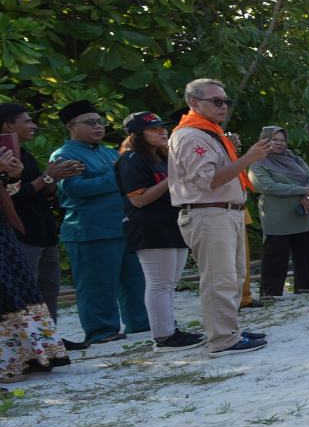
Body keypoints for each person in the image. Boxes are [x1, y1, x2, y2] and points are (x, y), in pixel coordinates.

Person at [169, 80, 273, 352]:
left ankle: (229, 329)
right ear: (194, 103)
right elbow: (209, 180)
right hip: (208, 213)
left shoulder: (209, 133)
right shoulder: (191, 135)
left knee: (234, 276)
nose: (224, 106)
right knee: (219, 279)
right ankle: (222, 339)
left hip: (223, 213)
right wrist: (247, 158)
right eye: (216, 101)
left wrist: (233, 153)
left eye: (225, 101)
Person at [54, 100, 149, 345]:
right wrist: (115, 175)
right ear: (71, 127)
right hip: (91, 230)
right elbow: (75, 189)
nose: (98, 126)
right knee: (97, 285)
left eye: (100, 121)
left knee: (135, 280)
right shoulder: (64, 155)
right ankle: (101, 330)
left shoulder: (109, 152)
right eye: (90, 122)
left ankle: (141, 322)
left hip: (123, 226)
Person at [113, 112, 202, 350]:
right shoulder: (131, 159)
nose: (162, 132)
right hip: (149, 226)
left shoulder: (160, 156)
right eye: (154, 129)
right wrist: (172, 178)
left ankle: (169, 329)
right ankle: (163, 336)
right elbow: (139, 200)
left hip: (170, 223)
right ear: (136, 135)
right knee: (159, 283)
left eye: (162, 127)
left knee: (169, 283)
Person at [0, 104, 79, 320]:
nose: (33, 126)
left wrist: (54, 176)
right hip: (21, 236)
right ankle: (31, 337)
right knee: (26, 292)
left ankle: (50, 336)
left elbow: (44, 190)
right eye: (27, 121)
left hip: (44, 233)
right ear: (8, 126)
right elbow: (13, 197)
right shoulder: (5, 157)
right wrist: (46, 177)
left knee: (50, 290)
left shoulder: (26, 154)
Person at [0, 163, 66, 376]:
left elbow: (10, 195)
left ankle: (25, 357)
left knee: (15, 294)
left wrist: (11, 177)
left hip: (4, 234)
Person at [247, 127, 309, 301]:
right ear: (264, 141)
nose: (279, 143)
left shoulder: (294, 159)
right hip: (277, 215)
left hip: (303, 212)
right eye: (274, 140)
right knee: (275, 253)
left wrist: (308, 196)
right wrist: (303, 190)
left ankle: (305, 285)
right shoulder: (257, 162)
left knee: (304, 249)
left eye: (282, 140)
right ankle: (269, 291)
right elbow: (269, 187)